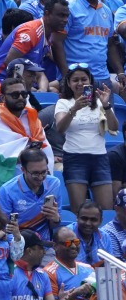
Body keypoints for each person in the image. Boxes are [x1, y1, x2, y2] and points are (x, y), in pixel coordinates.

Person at [55, 66, 116, 211]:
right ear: (69, 83)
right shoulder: (63, 103)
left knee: (106, 209)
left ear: (90, 82)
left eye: (84, 79)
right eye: (75, 80)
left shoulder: (101, 102)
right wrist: (74, 109)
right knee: (79, 210)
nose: (80, 83)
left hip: (99, 158)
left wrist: (106, 105)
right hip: (75, 158)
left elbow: (114, 127)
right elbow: (60, 128)